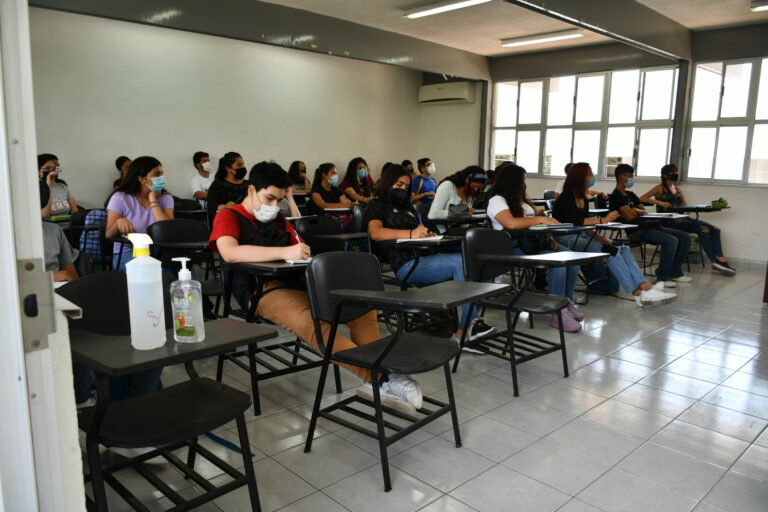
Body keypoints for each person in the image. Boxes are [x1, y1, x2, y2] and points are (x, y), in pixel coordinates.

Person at [209, 163, 422, 414]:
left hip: (298, 282)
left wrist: (301, 252)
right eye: (270, 198)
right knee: (317, 327)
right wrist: (286, 251)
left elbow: (301, 248)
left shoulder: (278, 220)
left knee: (361, 306)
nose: (276, 207)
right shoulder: (229, 215)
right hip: (261, 290)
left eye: (280, 200)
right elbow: (229, 252)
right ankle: (381, 378)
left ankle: (379, 372)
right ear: (252, 190)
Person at [367, 164, 496, 343]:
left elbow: (418, 228)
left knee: (466, 259)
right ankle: (469, 327)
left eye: (406, 187)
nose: (402, 189)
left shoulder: (407, 206)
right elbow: (376, 233)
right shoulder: (377, 204)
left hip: (424, 257)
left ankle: (466, 329)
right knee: (460, 262)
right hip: (405, 265)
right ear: (388, 183)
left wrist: (426, 234)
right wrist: (411, 234)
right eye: (398, 185)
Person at [553, 163, 677, 307]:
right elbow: (575, 221)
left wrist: (600, 237)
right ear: (579, 177)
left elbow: (585, 226)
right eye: (589, 175)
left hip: (582, 236)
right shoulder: (566, 196)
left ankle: (644, 287)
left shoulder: (583, 198)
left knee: (621, 248)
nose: (591, 178)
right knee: (610, 251)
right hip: (566, 238)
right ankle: (639, 293)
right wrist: (602, 220)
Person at [487, 163, 583, 332]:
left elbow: (531, 226)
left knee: (572, 258)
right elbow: (511, 223)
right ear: (512, 181)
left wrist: (549, 235)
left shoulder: (521, 202)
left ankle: (567, 302)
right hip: (512, 248)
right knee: (557, 264)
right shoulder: (497, 200)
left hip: (532, 244)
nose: (524, 184)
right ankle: (557, 313)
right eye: (522, 180)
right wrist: (541, 220)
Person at [640, 164, 735, 276]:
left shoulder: (678, 189)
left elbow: (686, 205)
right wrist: (660, 202)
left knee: (715, 229)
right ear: (665, 175)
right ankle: (715, 262)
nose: (676, 174)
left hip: (682, 219)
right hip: (668, 221)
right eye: (673, 172)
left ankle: (720, 259)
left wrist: (684, 215)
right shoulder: (659, 188)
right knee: (703, 229)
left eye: (677, 171)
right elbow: (642, 198)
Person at [610, 164, 692, 288]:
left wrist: (635, 211)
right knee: (671, 240)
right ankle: (662, 277)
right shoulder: (616, 196)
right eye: (630, 176)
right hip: (636, 230)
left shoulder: (631, 194)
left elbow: (643, 211)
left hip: (648, 225)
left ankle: (676, 272)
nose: (632, 179)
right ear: (622, 177)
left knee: (685, 237)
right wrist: (635, 211)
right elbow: (630, 217)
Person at [105, 156, 174, 270]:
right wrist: (118, 223)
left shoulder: (166, 198)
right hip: (129, 250)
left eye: (162, 174)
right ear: (142, 179)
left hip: (158, 249)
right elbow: (108, 235)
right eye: (157, 175)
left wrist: (153, 200)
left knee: (185, 269)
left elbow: (166, 230)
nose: (161, 178)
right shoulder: (120, 198)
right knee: (156, 271)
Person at [206, 152, 249, 221]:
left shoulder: (249, 184)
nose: (243, 167)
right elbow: (210, 207)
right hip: (226, 220)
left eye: (243, 164)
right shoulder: (217, 184)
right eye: (239, 165)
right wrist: (224, 207)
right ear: (228, 168)